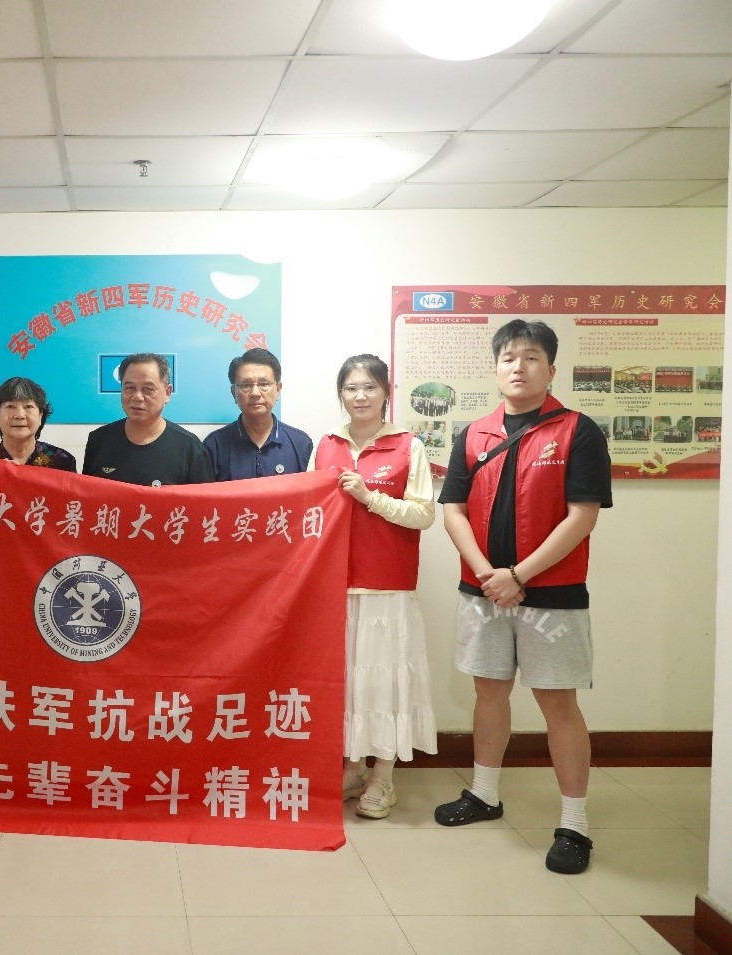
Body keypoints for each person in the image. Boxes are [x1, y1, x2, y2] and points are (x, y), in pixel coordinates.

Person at [433, 320, 612, 876]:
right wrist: (488, 573)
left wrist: (519, 575)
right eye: (509, 357)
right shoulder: (473, 434)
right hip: (483, 590)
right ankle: (484, 794)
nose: (519, 366)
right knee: (488, 692)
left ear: (551, 369)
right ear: (495, 368)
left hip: (552, 594)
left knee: (558, 704)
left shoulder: (578, 431)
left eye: (531, 357)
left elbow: (582, 516)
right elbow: (453, 509)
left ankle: (574, 824)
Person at [310, 355, 437, 819]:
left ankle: (384, 776)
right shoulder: (326, 444)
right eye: (351, 388)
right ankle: (353, 767)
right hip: (335, 584)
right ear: (340, 394)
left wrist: (370, 497)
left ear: (386, 392)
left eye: (369, 387)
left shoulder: (407, 446)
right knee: (346, 683)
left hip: (387, 585)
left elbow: (423, 514)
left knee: (384, 683)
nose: (360, 396)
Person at [82, 353, 212, 486]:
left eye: (148, 389)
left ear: (167, 393)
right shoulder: (98, 441)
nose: (137, 397)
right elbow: (87, 495)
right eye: (130, 388)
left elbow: (203, 498)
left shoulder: (190, 449)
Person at [203, 348, 312, 480]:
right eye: (246, 385)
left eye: (264, 384)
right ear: (233, 392)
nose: (255, 393)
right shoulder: (214, 445)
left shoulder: (301, 443)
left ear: (278, 389)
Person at [0, 376, 77, 470]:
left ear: (41, 415)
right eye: (10, 406)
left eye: (28, 406)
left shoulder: (63, 462)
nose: (19, 415)